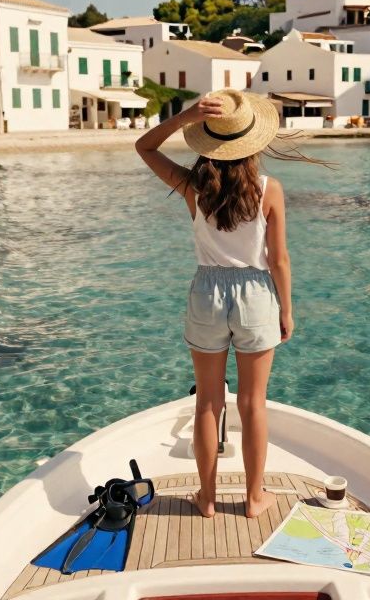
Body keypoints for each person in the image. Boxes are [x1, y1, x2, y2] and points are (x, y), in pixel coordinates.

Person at [135, 89, 293, 520]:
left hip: (206, 292)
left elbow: (144, 145)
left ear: (205, 140)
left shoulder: (191, 185)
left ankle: (206, 498)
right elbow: (278, 259)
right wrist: (286, 309)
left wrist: (182, 117)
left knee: (208, 402)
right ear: (252, 141)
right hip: (257, 294)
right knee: (253, 404)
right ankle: (253, 499)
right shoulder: (269, 189)